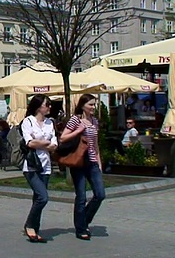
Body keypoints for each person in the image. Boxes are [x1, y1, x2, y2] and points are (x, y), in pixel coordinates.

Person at [60, 94, 106, 241]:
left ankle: (84, 219)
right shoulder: (76, 119)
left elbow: (96, 144)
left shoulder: (94, 121)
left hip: (92, 162)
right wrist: (78, 130)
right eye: (91, 105)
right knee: (81, 196)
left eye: (94, 104)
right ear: (83, 105)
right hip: (79, 161)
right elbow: (63, 137)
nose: (93, 107)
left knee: (100, 194)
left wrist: (99, 162)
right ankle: (80, 228)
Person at [20, 94, 57, 243]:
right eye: (46, 104)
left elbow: (54, 144)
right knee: (43, 197)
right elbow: (30, 143)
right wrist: (46, 143)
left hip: (46, 166)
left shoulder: (50, 123)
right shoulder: (28, 121)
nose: (49, 107)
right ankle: (29, 225)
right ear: (38, 106)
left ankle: (35, 229)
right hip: (32, 166)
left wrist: (42, 143)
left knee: (37, 198)